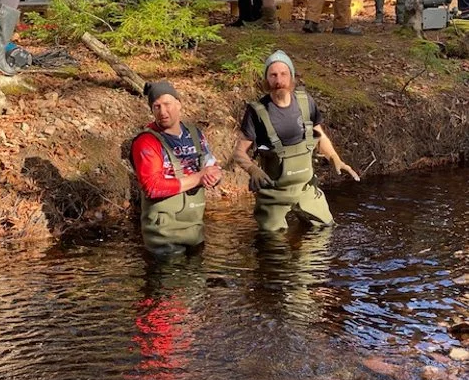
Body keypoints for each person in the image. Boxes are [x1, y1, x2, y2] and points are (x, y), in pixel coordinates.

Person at [233, 50, 360, 232]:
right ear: (266, 80)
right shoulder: (257, 112)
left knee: (324, 232)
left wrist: (334, 158)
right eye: (273, 75)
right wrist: (253, 169)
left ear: (292, 77)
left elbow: (319, 135)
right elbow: (239, 152)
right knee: (273, 247)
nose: (279, 81)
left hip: (306, 188)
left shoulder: (305, 102)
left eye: (284, 74)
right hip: (273, 192)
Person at [131, 81, 222, 255]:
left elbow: (212, 165)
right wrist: (198, 178)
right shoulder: (146, 141)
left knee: (197, 278)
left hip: (194, 229)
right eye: (156, 107)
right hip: (164, 235)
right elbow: (152, 187)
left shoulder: (195, 134)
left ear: (178, 104)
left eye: (167, 104)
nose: (163, 112)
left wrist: (214, 175)